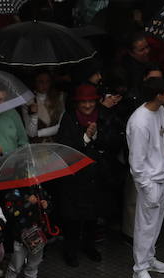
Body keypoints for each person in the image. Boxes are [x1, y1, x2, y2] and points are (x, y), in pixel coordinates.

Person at [55, 85, 123, 266]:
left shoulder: (104, 115)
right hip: (74, 179)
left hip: (97, 176)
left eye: (91, 101)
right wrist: (85, 138)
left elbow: (115, 141)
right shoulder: (69, 118)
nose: (87, 105)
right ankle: (71, 251)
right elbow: (64, 147)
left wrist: (97, 137)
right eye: (83, 102)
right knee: (73, 218)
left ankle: (89, 246)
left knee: (93, 215)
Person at [127, 77, 164, 278]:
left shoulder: (161, 111)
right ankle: (140, 269)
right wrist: (147, 187)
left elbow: (160, 142)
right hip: (150, 182)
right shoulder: (139, 122)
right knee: (145, 225)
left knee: (155, 224)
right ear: (158, 94)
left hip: (163, 176)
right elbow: (136, 163)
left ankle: (149, 258)